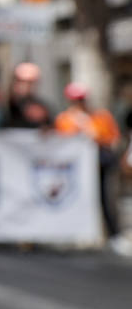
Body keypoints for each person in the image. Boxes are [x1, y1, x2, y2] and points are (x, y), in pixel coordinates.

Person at [54, 83, 123, 238]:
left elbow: (112, 139)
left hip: (101, 164)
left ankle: (113, 234)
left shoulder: (101, 117)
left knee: (105, 198)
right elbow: (60, 143)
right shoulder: (64, 119)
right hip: (75, 168)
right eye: (75, 100)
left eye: (82, 100)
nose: (79, 104)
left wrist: (90, 131)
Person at [4, 62, 53, 129]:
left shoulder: (41, 107)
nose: (25, 86)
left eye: (29, 82)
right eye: (21, 81)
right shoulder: (5, 104)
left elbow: (50, 126)